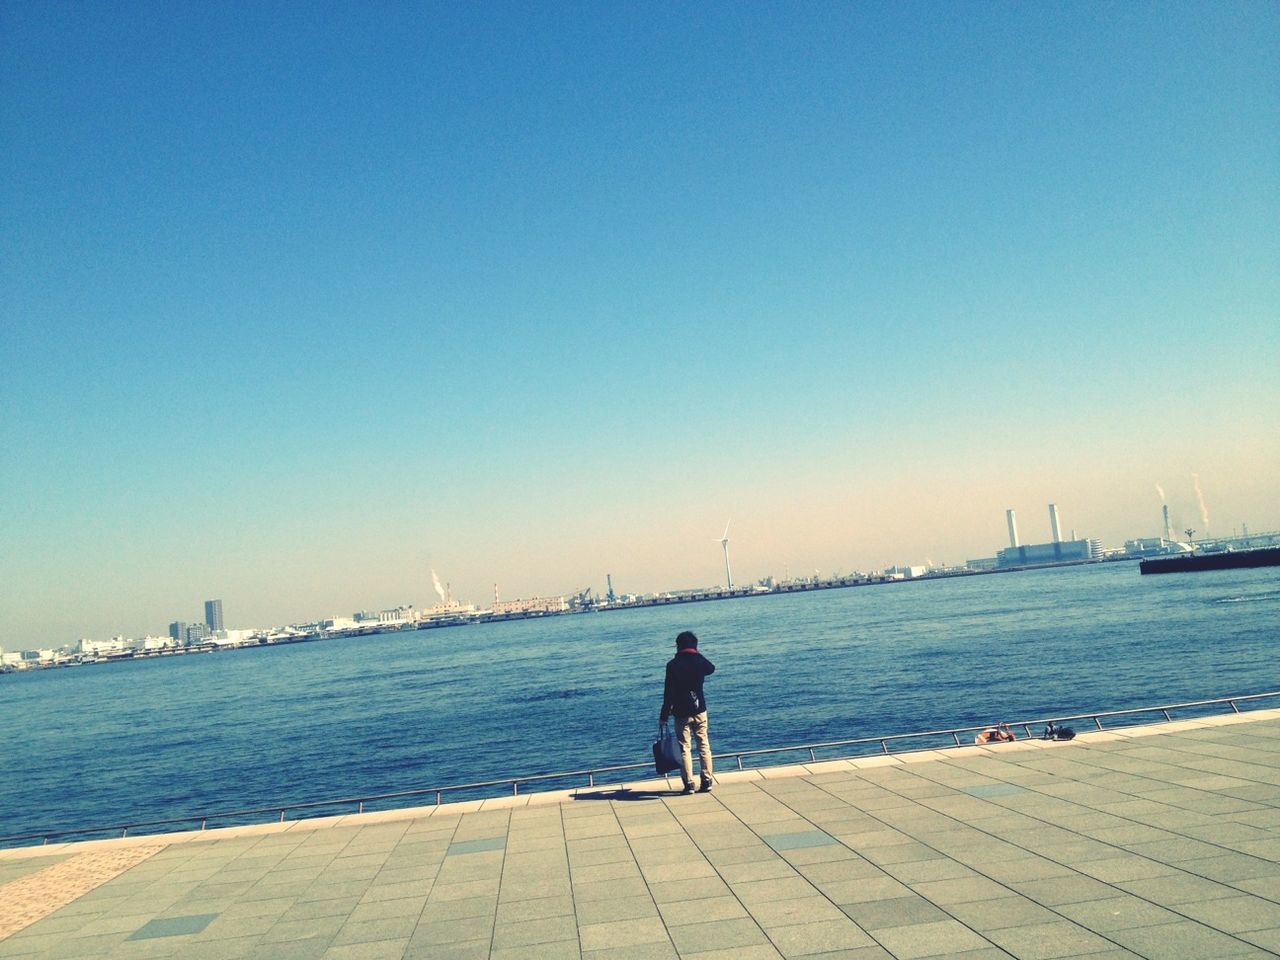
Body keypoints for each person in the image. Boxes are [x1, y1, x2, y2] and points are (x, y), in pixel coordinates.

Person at [659, 630, 716, 794]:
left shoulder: (672, 665)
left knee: (684, 748)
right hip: (700, 709)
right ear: (694, 646)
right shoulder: (698, 661)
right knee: (703, 745)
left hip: (681, 712)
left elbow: (668, 693)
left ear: (678, 646)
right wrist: (696, 654)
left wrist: (663, 716)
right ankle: (706, 780)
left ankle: (689, 784)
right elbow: (711, 668)